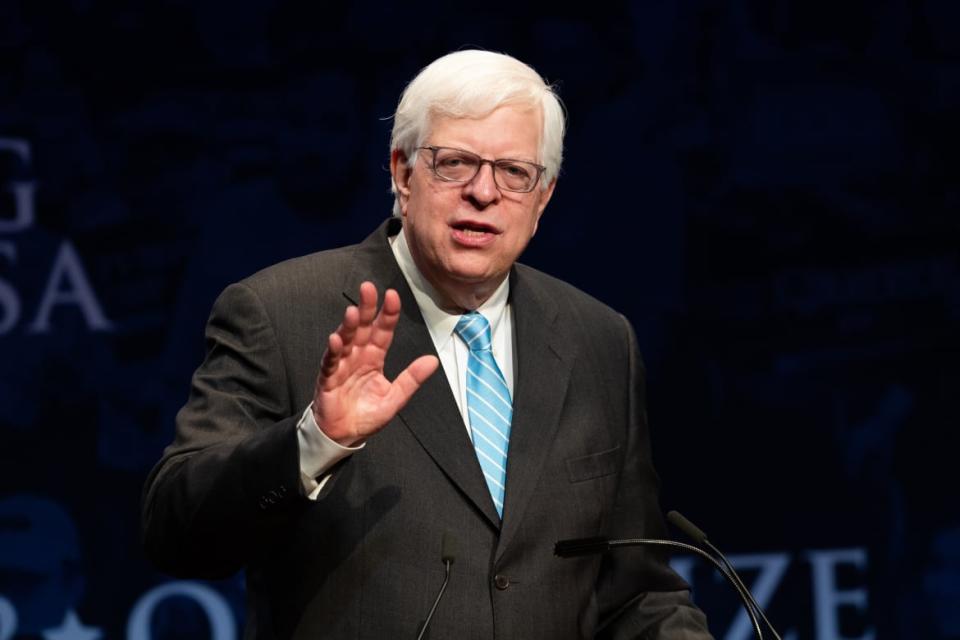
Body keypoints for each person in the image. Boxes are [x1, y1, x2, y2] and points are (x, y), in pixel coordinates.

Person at [141, 49, 713, 639]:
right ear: (402, 173)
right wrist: (317, 441)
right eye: (455, 164)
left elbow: (635, 593)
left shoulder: (599, 341)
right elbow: (175, 531)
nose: (484, 192)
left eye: (515, 172)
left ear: (542, 198)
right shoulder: (281, 312)